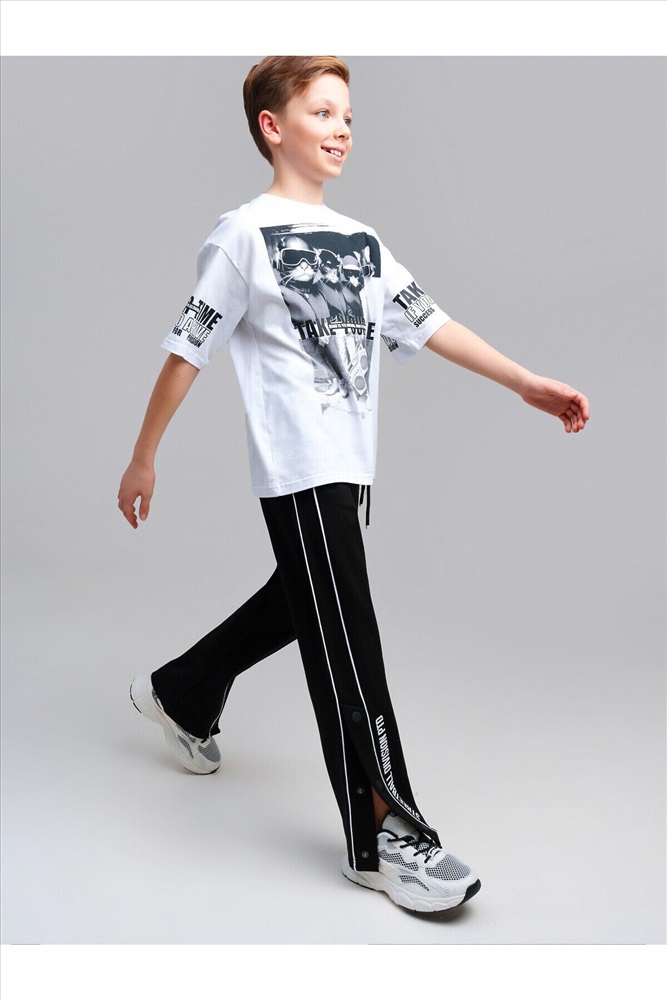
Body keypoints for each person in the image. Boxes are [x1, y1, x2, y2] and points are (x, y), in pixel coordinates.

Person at [117, 56, 589, 914]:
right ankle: (381, 837)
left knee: (308, 603)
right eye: (322, 112)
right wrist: (144, 455)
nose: (341, 129)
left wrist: (524, 382)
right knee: (347, 638)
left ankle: (182, 692)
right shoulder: (243, 236)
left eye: (347, 116)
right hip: (297, 467)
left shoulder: (363, 242)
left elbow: (432, 323)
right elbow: (187, 349)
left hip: (350, 465)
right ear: (273, 126)